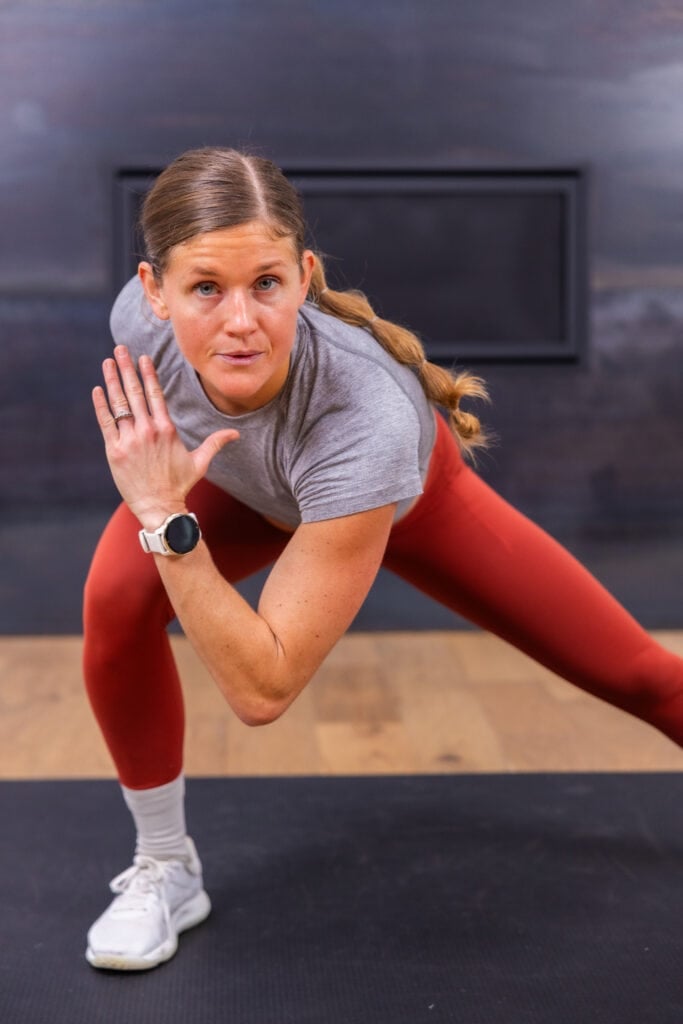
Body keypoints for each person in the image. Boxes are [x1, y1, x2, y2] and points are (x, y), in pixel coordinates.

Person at [83, 145, 683, 971]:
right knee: (115, 600)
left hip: (404, 503)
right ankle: (166, 867)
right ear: (154, 292)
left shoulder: (366, 413)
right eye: (203, 289)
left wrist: (162, 513)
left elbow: (264, 688)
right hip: (241, 482)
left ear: (304, 275)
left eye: (266, 283)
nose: (240, 321)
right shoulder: (134, 325)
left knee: (645, 677)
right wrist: (169, 506)